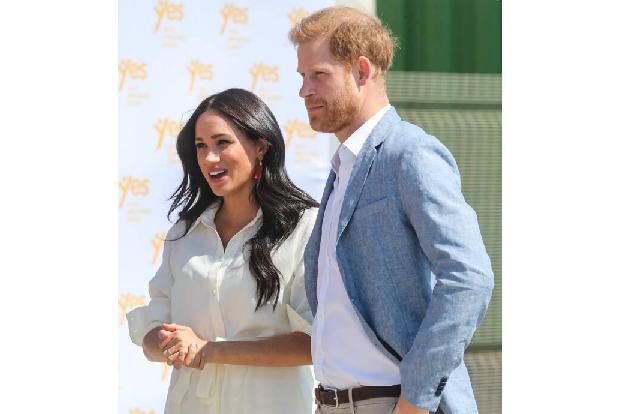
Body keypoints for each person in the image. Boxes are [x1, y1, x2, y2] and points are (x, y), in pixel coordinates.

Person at [289, 7, 494, 414]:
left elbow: (469, 278)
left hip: (394, 402)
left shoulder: (410, 153)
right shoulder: (342, 166)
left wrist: (415, 401)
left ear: (361, 71)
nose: (304, 91)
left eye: (319, 75)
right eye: (302, 76)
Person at [127, 88, 319, 414]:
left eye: (222, 143)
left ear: (261, 147)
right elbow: (152, 330)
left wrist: (209, 351)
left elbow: (313, 344)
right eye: (201, 146)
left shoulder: (303, 227)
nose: (209, 158)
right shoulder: (184, 234)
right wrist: (168, 342)